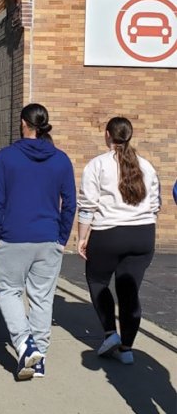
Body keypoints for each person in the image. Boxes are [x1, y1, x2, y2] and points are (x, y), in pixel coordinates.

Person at [0, 103, 76, 380]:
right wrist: (62, 237)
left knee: (8, 291)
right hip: (48, 237)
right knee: (42, 298)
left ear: (24, 123)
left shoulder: (7, 157)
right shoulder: (61, 160)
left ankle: (25, 344)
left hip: (13, 236)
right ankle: (39, 359)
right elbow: (70, 204)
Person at [77, 116, 160, 365]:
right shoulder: (147, 166)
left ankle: (110, 333)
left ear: (107, 135)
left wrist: (82, 238)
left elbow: (87, 206)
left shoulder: (97, 165)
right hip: (143, 234)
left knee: (97, 280)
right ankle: (127, 349)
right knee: (129, 291)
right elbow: (155, 205)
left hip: (109, 233)